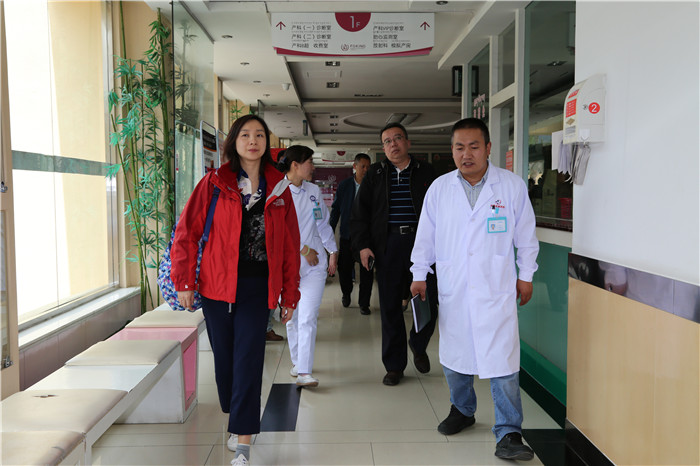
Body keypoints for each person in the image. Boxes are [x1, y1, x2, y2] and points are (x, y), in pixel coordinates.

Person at [171, 114, 301, 466]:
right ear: (234, 141)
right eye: (245, 134)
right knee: (226, 363)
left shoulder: (279, 189)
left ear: (267, 143)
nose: (253, 141)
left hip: (258, 288)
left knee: (248, 360)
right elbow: (187, 233)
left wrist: (290, 294)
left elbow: (290, 245)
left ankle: (242, 443)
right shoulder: (214, 183)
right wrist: (184, 281)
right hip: (216, 286)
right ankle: (236, 412)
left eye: (259, 135)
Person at [409, 118, 539, 461]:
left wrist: (526, 275)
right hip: (455, 285)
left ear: (488, 148)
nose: (466, 154)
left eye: (474, 146)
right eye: (459, 147)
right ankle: (463, 410)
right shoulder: (439, 188)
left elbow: (526, 237)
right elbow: (425, 236)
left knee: (503, 363)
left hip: (496, 287)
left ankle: (509, 431)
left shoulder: (510, 187)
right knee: (455, 357)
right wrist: (419, 273)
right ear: (452, 151)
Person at [350, 122, 439, 386]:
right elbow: (360, 213)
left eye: (398, 138)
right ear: (383, 147)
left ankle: (418, 344)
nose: (393, 144)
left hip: (422, 245)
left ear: (408, 143)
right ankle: (394, 366)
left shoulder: (427, 172)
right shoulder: (375, 174)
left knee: (427, 302)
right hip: (387, 245)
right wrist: (363, 245)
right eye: (387, 141)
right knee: (390, 307)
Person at [278, 145, 338, 388]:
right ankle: (297, 362)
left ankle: (304, 371)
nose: (313, 167)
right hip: (288, 267)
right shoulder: (278, 191)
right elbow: (278, 231)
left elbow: (322, 223)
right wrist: (303, 250)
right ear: (295, 165)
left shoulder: (313, 190)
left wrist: (332, 251)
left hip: (314, 266)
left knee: (308, 317)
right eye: (309, 162)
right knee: (292, 318)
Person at [329, 153, 373, 315]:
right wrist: (330, 230)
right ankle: (346, 293)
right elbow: (336, 210)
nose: (366, 170)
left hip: (367, 238)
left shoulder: (373, 186)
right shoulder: (344, 185)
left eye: (368, 167)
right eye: (363, 166)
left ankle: (364, 304)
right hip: (347, 236)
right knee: (344, 269)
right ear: (355, 167)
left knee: (367, 271)